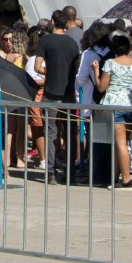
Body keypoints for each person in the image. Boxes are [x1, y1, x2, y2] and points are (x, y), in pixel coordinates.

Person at [93, 32, 132, 187]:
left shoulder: (110, 63)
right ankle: (116, 177)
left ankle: (126, 180)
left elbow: (102, 87)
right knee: (122, 143)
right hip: (131, 104)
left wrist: (96, 71)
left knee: (120, 144)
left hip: (114, 104)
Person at [35, 10, 81, 184]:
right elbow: (75, 68)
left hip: (51, 93)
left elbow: (38, 66)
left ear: (53, 22)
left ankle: (51, 173)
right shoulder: (72, 43)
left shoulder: (45, 40)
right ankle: (71, 173)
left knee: (51, 133)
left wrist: (49, 71)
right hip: (68, 94)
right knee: (70, 133)